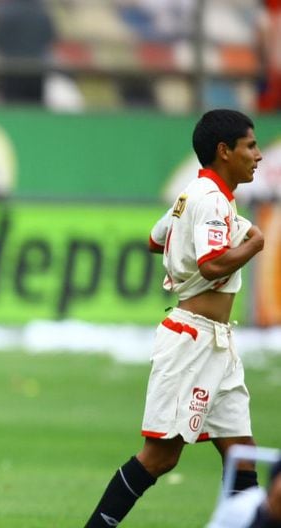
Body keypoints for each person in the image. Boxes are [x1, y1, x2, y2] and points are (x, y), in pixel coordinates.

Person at [85, 109, 266, 527]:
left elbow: (156, 239)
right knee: (160, 457)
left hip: (218, 343)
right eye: (251, 146)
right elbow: (211, 265)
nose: (258, 155)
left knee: (242, 455)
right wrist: (254, 244)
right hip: (192, 341)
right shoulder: (211, 200)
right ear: (224, 151)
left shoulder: (196, 195)